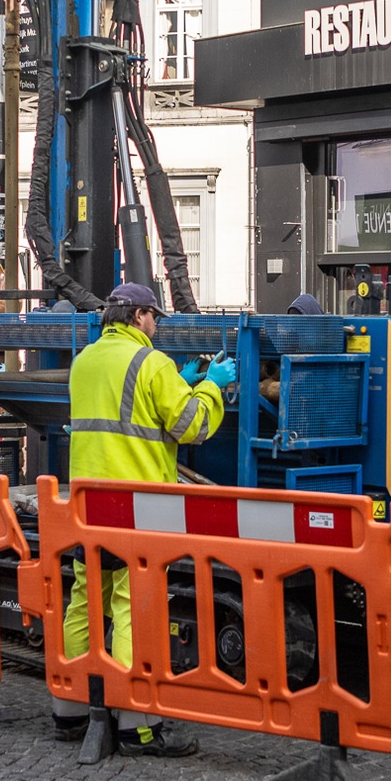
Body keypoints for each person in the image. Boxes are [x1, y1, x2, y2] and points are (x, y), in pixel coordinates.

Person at [56, 281, 233, 756]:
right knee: (132, 608)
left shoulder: (84, 361)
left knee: (84, 603)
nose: (157, 325)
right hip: (136, 510)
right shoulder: (152, 363)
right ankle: (138, 725)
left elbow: (125, 408)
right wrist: (212, 387)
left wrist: (184, 381)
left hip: (88, 507)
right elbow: (190, 426)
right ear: (138, 317)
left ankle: (72, 711)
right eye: (154, 316)